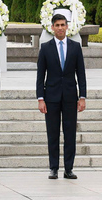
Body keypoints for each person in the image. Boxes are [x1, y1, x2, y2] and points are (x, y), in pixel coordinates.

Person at [36, 13, 87, 180]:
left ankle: (69, 169)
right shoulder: (45, 47)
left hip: (70, 97)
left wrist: (83, 97)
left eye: (62, 25)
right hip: (51, 97)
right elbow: (40, 75)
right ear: (52, 27)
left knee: (70, 133)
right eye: (57, 25)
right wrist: (40, 98)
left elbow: (81, 73)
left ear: (67, 27)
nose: (60, 28)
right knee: (53, 134)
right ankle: (53, 168)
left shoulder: (75, 47)